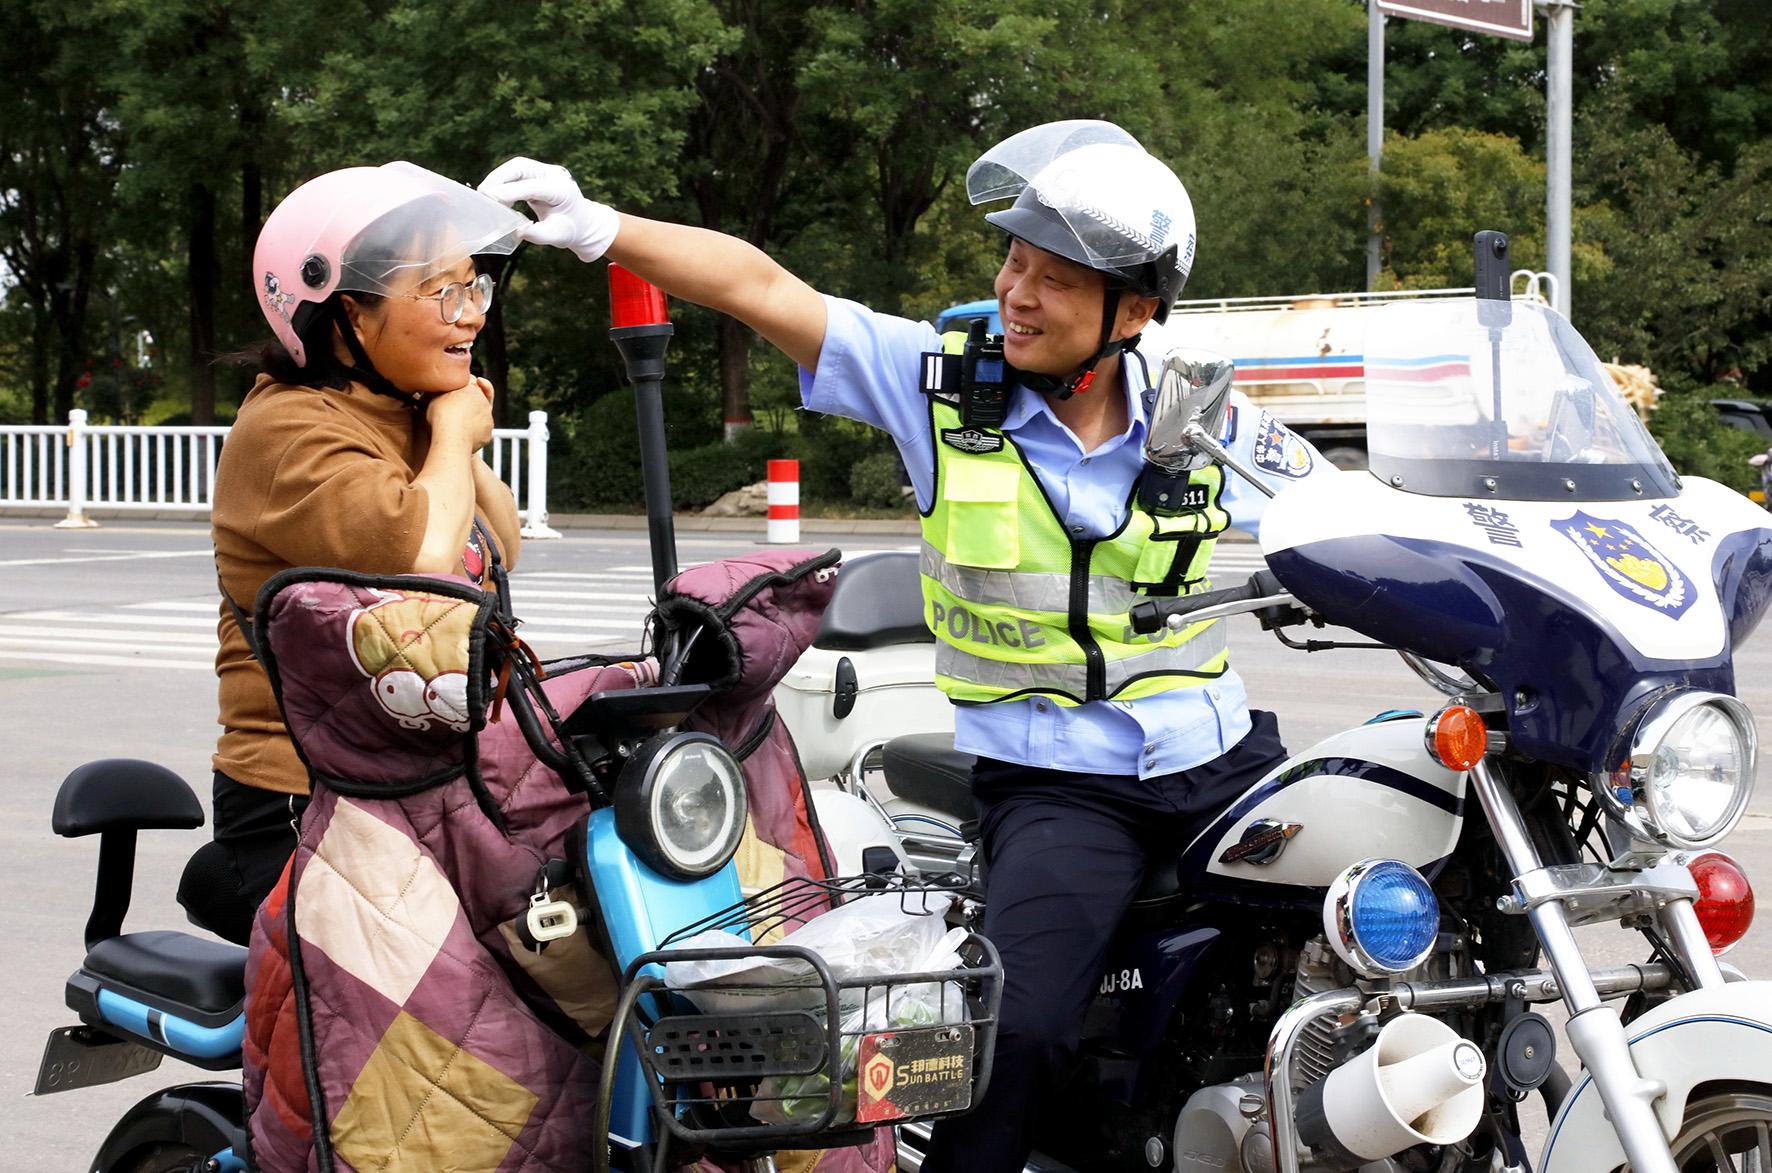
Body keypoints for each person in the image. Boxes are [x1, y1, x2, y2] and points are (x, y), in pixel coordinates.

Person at [480, 120, 1335, 1172]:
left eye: (1055, 279)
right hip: (1062, 782)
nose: (1017, 293)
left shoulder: (1196, 412)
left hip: (1220, 754)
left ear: (1134, 311)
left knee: (1384, 934)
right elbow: (759, 287)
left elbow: (1339, 513)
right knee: (1015, 1034)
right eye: (1013, 262)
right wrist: (600, 228)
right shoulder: (933, 384)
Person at [177, 162, 529, 945]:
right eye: (440, 291)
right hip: (302, 802)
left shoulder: (404, 411)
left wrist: (448, 429)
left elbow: (496, 547)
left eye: (474, 287)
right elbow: (425, 570)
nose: (471, 313)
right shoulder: (289, 430)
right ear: (346, 315)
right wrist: (453, 434)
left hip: (419, 780)